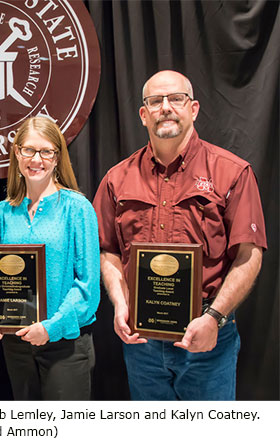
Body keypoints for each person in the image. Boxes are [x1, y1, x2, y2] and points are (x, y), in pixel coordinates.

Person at [93, 70, 267, 400]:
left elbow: (249, 255)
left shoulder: (232, 172)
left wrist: (214, 318)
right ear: (144, 115)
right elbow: (108, 250)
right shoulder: (117, 179)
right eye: (155, 101)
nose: (166, 107)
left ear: (194, 108)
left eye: (176, 99)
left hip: (207, 336)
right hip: (141, 341)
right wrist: (120, 303)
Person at [0, 116, 100, 400]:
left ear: (57, 157)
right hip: (16, 343)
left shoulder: (77, 208)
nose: (37, 159)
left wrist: (51, 327)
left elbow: (88, 286)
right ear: (17, 153)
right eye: (29, 150)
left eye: (46, 151)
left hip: (66, 342)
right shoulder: (1, 213)